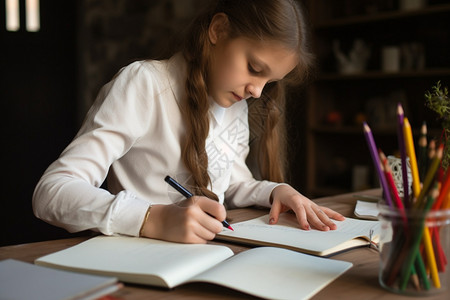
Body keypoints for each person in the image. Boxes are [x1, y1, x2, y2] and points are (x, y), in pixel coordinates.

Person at [33, 0, 345, 244]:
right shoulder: (145, 85)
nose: (256, 91)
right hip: (137, 266)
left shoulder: (234, 103)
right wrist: (150, 219)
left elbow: (230, 183)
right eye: (253, 67)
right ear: (218, 30)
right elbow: (52, 192)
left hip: (206, 258)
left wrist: (276, 190)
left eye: (270, 82)